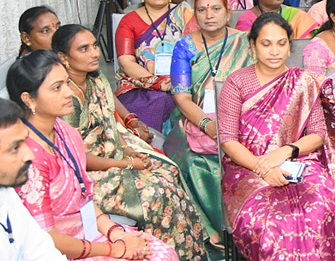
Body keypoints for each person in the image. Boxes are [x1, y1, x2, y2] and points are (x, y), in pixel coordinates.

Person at [53, 25, 207, 259]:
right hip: (89, 172)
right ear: (63, 57)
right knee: (155, 194)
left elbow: (108, 117)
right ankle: (147, 252)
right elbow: (76, 159)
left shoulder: (95, 78)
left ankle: (185, 253)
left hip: (113, 151)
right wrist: (126, 163)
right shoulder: (65, 98)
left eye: (95, 45)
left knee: (169, 170)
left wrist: (128, 139)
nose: (94, 53)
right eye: (84, 49)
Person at [9, 51, 180, 260]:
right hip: (61, 250)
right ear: (28, 99)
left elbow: (84, 195)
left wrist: (115, 234)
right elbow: (47, 239)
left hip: (90, 232)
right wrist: (113, 249)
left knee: (161, 252)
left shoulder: (65, 133)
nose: (68, 93)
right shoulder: (27, 157)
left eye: (66, 83)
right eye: (57, 88)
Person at [218, 13, 335, 261]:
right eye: (266, 43)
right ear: (252, 45)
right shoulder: (236, 82)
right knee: (267, 221)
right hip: (246, 167)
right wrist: (262, 168)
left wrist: (285, 151)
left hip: (298, 162)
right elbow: (228, 140)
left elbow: (317, 135)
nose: (274, 51)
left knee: (323, 208)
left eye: (281, 43)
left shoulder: (303, 81)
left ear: (289, 45)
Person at [161, 0, 252, 244]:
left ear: (228, 13)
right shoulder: (185, 46)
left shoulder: (245, 42)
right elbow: (181, 96)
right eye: (202, 10)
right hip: (194, 120)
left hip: (241, 119)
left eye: (215, 9)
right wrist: (206, 124)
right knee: (192, 162)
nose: (209, 15)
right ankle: (215, 234)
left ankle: (247, 229)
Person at [115, 0, 197, 131]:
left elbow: (198, 50)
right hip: (141, 84)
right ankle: (152, 146)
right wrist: (158, 83)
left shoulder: (184, 14)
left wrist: (178, 81)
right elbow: (126, 62)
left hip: (185, 81)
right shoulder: (129, 21)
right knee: (158, 101)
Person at [0, 96, 68, 260]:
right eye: (15, 148)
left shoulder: (7, 193)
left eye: (25, 142)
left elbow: (42, 251)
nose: (29, 154)